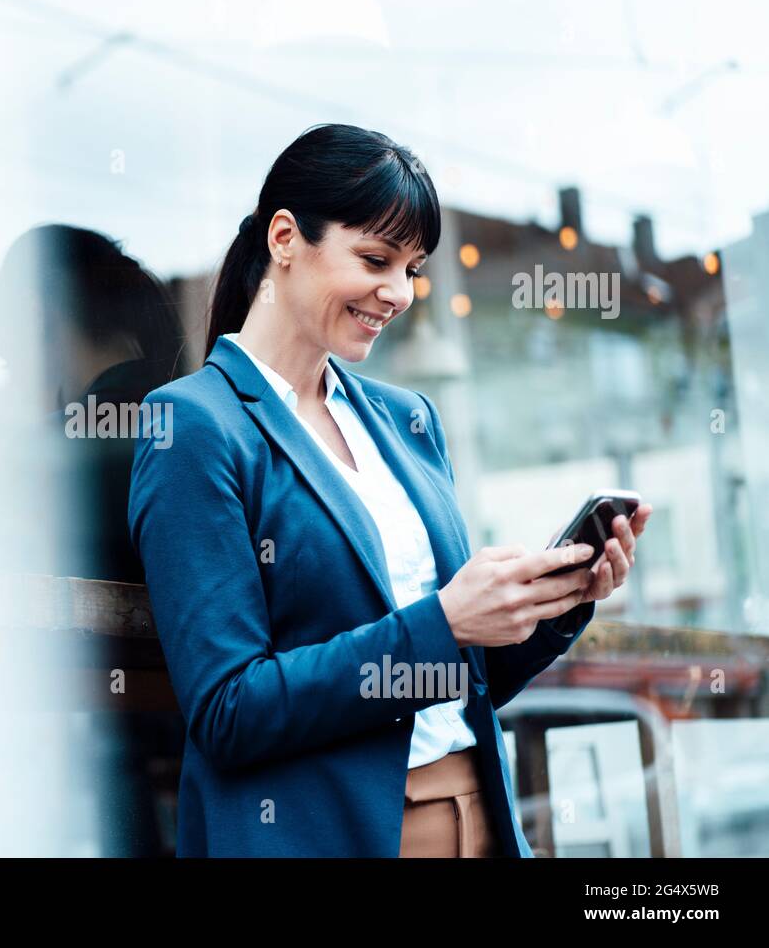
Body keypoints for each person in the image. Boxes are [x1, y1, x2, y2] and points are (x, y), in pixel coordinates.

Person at [126, 123, 652, 857]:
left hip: (482, 816)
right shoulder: (193, 426)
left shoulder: (406, 419)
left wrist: (557, 602)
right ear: (285, 238)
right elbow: (229, 709)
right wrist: (442, 621)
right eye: (376, 259)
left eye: (413, 268)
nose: (399, 293)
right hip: (334, 834)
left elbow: (459, 677)